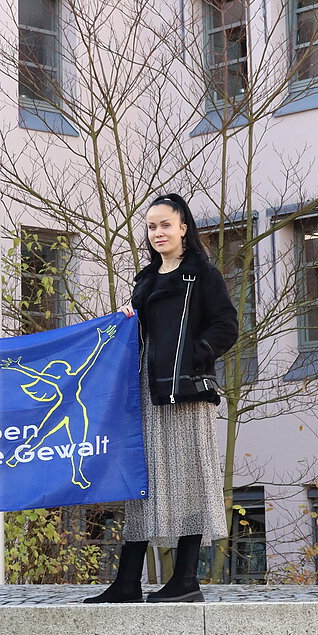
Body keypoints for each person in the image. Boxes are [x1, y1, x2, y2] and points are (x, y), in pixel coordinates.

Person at [87, 192, 238, 605]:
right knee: (141, 482)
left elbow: (226, 327)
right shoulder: (145, 279)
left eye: (165, 225)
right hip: (145, 393)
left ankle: (186, 581)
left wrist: (192, 355)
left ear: (184, 227)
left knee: (189, 480)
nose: (158, 233)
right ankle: (127, 582)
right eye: (152, 227)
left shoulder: (202, 275)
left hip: (186, 392)